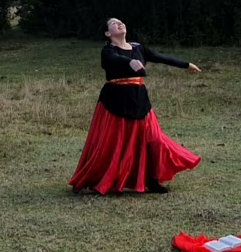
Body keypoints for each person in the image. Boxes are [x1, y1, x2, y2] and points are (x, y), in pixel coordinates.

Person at [69, 17, 202, 195]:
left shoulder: (138, 47)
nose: (119, 23)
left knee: (154, 139)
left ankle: (152, 180)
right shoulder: (108, 50)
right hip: (115, 101)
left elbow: (160, 57)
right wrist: (129, 62)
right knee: (113, 143)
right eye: (114, 23)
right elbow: (113, 58)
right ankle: (106, 180)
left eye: (120, 21)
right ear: (108, 33)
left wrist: (186, 65)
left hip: (139, 99)